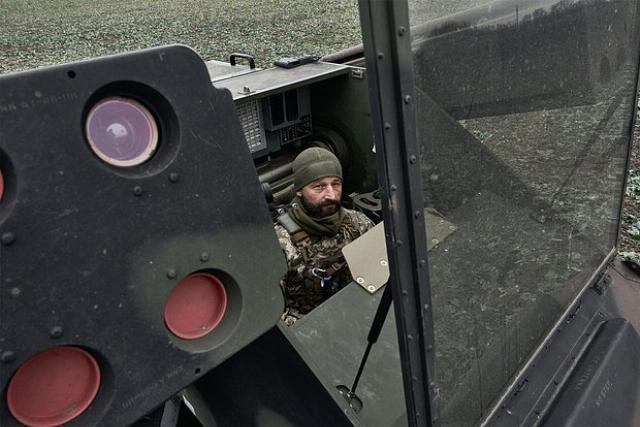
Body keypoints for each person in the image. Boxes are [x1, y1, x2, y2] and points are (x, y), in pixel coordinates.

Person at [274, 147, 374, 326]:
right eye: (319, 187)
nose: (331, 195)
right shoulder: (279, 243)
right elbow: (273, 314)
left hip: (358, 314)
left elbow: (381, 272)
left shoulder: (358, 223)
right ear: (299, 191)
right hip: (308, 328)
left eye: (336, 184)